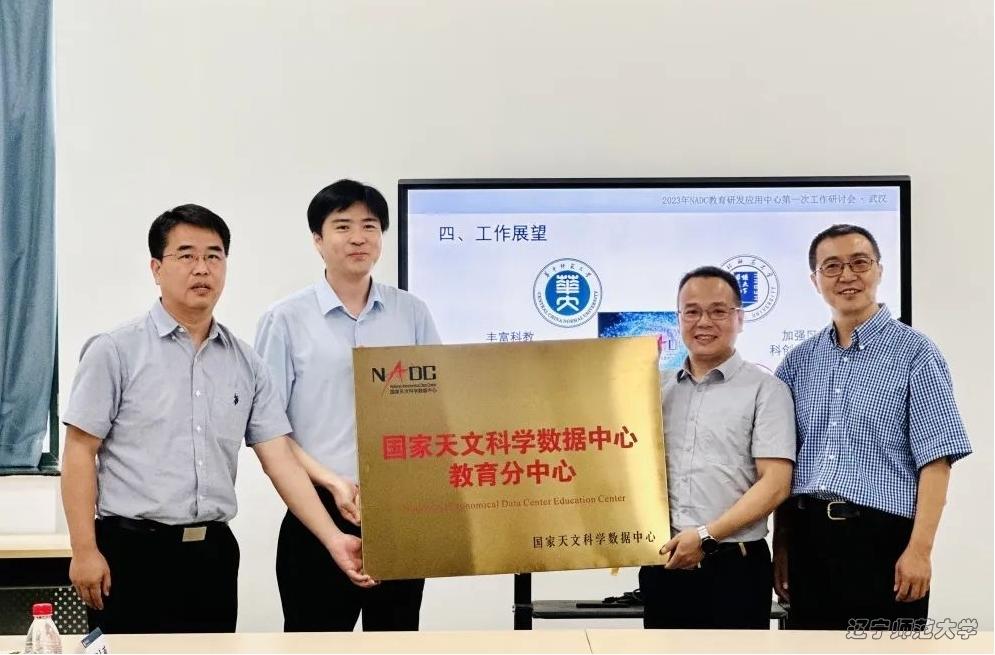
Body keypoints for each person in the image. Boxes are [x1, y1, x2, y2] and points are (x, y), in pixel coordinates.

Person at [61, 204, 373, 635]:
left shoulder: (245, 361)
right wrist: (83, 550)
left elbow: (280, 459)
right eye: (186, 255)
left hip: (212, 554)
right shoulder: (114, 351)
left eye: (214, 256)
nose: (202, 268)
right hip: (130, 552)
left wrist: (333, 539)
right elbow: (79, 452)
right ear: (156, 268)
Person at [255, 179, 440, 632]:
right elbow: (267, 428)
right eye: (342, 226)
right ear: (317, 240)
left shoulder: (411, 312)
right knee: (314, 640)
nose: (358, 237)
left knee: (397, 639)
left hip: (399, 510)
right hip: (317, 509)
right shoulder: (285, 319)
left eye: (370, 226)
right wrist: (331, 480)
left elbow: (436, 404)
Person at [773, 224, 972, 630]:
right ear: (814, 280)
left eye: (859, 263)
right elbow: (783, 468)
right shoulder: (797, 363)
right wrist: (782, 547)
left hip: (884, 543)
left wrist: (920, 551)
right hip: (809, 541)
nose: (847, 275)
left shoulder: (916, 353)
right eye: (832, 266)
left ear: (879, 270)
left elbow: (936, 462)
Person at [640, 266, 795, 629]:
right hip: (665, 562)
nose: (704, 322)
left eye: (718, 311)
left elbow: (775, 484)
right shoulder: (654, 390)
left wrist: (705, 537)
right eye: (692, 311)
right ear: (678, 318)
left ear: (739, 318)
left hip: (734, 566)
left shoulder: (766, 390)